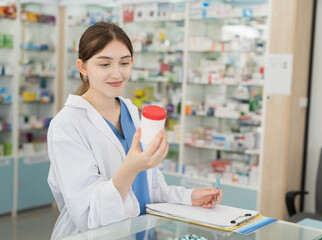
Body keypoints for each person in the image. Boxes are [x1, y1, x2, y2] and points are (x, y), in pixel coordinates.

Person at [47, 22, 223, 240]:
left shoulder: (130, 111)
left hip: (141, 232)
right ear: (83, 67)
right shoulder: (67, 124)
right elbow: (87, 215)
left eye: (124, 63)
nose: (117, 74)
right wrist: (129, 169)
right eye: (104, 64)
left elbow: (150, 188)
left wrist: (189, 197)